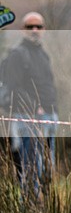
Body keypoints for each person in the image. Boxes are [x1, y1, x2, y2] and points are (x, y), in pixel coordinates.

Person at [3, 12, 58, 202]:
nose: (34, 30)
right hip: (29, 119)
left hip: (50, 117)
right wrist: (35, 108)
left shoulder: (43, 54)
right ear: (22, 30)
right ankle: (28, 210)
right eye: (30, 27)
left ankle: (46, 210)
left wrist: (52, 110)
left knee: (48, 169)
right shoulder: (17, 54)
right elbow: (14, 87)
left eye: (39, 26)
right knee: (31, 167)